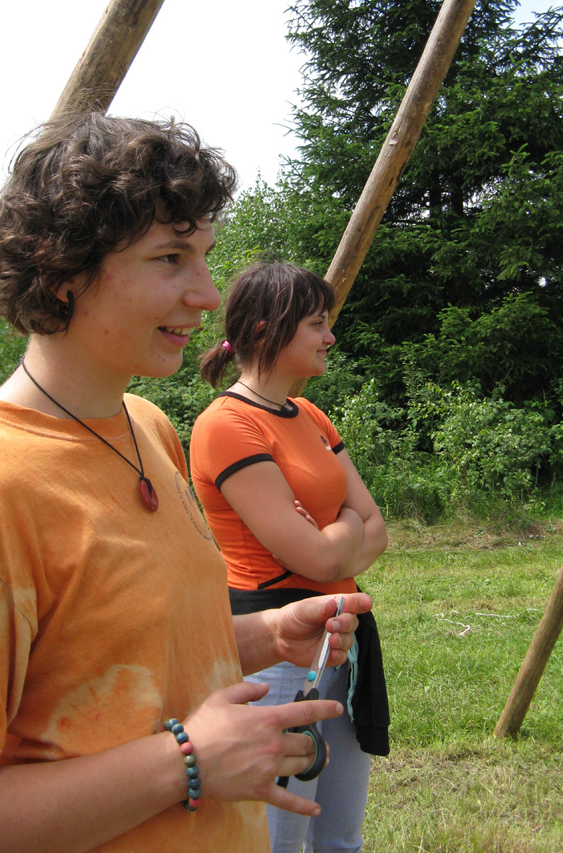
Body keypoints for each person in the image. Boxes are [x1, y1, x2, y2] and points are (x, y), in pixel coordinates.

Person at [0, 114, 374, 853]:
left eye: (204, 256)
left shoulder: (145, 427)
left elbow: (121, 659)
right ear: (62, 270)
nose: (207, 294)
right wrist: (186, 763)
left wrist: (268, 634)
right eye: (170, 258)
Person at [190, 261, 389, 853]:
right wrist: (343, 529)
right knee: (274, 836)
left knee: (340, 835)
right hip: (273, 647)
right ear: (266, 330)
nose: (331, 337)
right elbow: (322, 559)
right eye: (316, 324)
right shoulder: (226, 425)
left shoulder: (311, 416)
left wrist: (331, 533)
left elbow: (377, 529)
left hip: (343, 637)